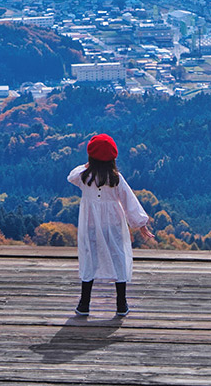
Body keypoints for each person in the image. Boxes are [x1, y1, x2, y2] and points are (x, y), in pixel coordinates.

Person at [67, 133, 154, 317]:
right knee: (118, 257)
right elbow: (129, 201)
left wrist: (87, 165)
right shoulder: (116, 178)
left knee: (89, 257)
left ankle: (84, 304)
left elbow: (71, 175)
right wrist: (141, 224)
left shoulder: (84, 177)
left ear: (91, 157)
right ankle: (121, 304)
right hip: (113, 223)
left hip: (90, 223)